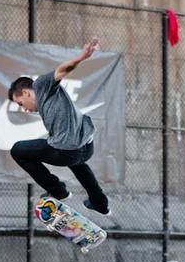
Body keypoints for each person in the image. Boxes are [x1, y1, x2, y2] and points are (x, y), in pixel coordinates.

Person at [8, 37, 110, 215]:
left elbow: (63, 69)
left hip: (68, 150)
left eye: (20, 103)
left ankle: (57, 190)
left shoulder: (41, 85)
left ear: (25, 92)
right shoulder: (50, 104)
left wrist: (82, 57)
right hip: (85, 147)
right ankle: (100, 203)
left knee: (17, 150)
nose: (24, 109)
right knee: (79, 165)